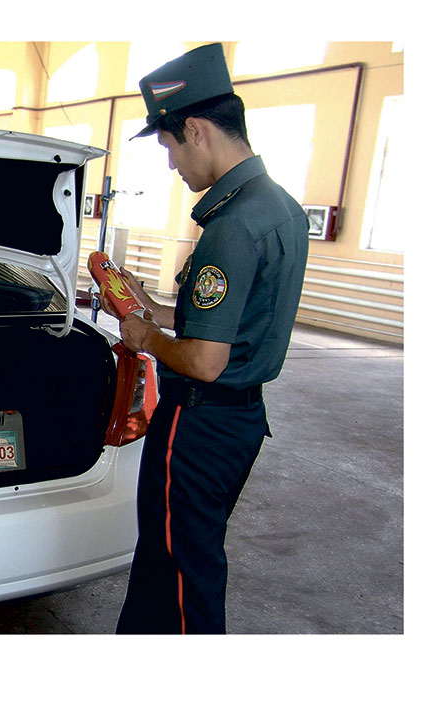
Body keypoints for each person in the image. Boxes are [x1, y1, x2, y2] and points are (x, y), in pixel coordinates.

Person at [106, 43, 309, 633]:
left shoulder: (230, 226)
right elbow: (231, 319)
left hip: (198, 423)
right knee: (167, 557)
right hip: (239, 421)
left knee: (182, 573)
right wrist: (155, 306)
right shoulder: (279, 207)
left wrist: (145, 335)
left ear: (195, 130)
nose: (172, 164)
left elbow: (203, 360)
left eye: (170, 147)